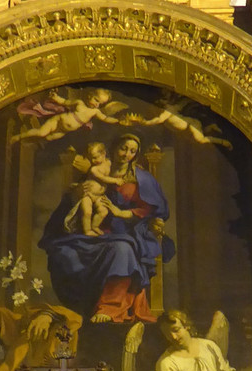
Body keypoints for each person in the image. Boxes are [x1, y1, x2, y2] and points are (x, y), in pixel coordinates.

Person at [39, 133, 175, 323]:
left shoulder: (140, 177)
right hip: (93, 231)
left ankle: (110, 307)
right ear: (112, 149)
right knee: (64, 252)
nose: (126, 154)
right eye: (123, 148)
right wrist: (78, 193)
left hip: (127, 232)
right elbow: (76, 200)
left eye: (132, 151)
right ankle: (80, 307)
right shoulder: (98, 170)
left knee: (122, 249)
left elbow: (148, 209)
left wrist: (120, 213)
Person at [62, 142, 129, 236]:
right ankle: (87, 230)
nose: (94, 160)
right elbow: (103, 178)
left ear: (104, 154)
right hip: (88, 194)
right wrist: (115, 180)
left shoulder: (109, 163)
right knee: (87, 212)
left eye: (96, 157)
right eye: (92, 158)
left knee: (103, 211)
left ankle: (95, 226)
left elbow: (116, 170)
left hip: (99, 195)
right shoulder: (94, 169)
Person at [11, 89, 121, 144]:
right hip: (58, 121)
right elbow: (65, 102)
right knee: (41, 132)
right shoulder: (79, 103)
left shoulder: (95, 112)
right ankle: (20, 136)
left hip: (63, 131)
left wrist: (117, 121)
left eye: (100, 104)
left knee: (49, 138)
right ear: (90, 96)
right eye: (96, 100)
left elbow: (105, 118)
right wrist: (56, 97)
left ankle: (30, 140)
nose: (97, 104)